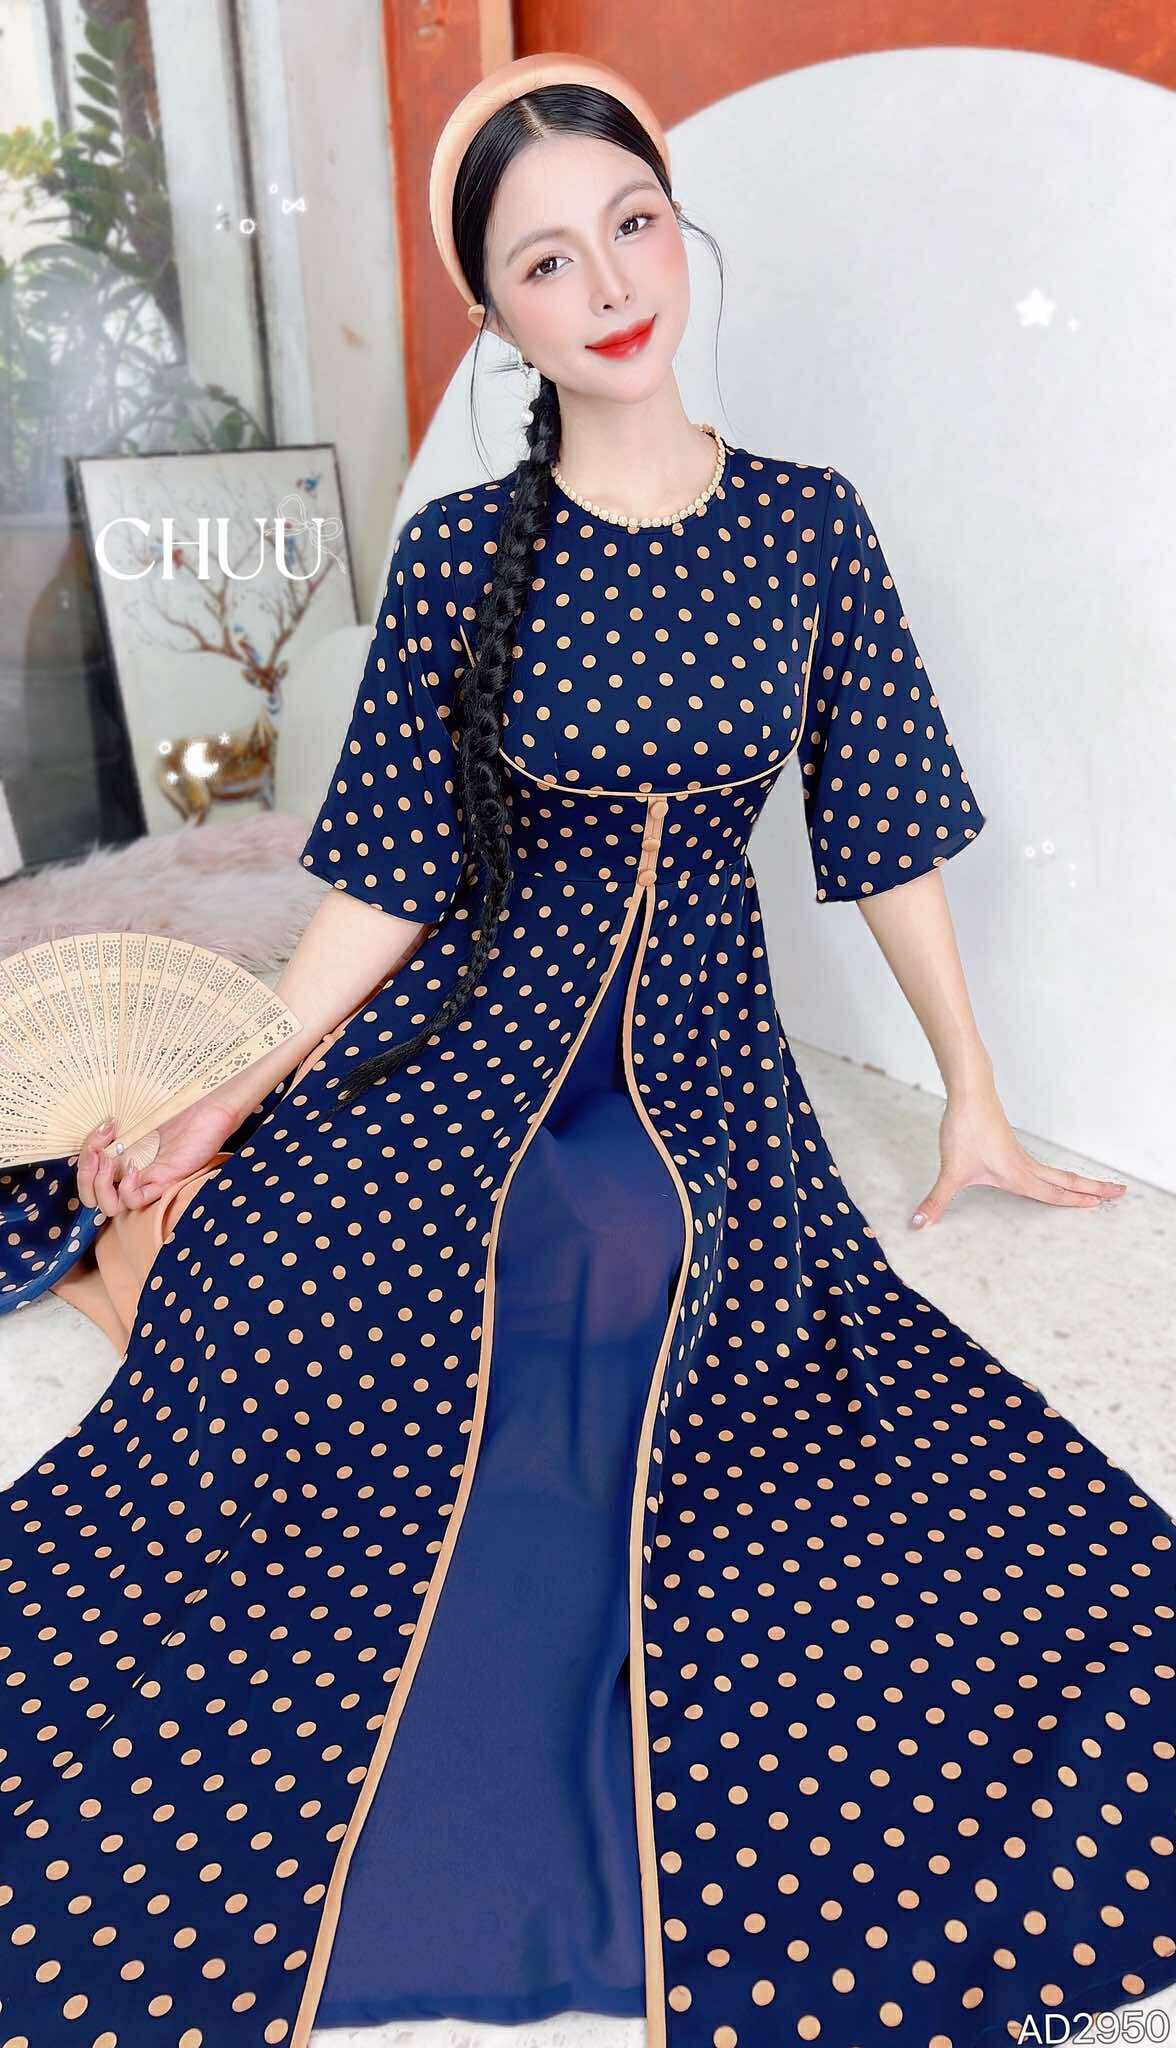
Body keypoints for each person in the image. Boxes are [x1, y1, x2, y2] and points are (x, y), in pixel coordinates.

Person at [0, 48, 1172, 2048]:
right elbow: (382, 883)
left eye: (632, 224)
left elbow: (885, 828)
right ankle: (168, 1271)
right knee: (296, 1271)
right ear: (499, 313)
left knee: (638, 1280)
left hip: (698, 1074)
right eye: (548, 261)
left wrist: (970, 1095)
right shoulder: (467, 550)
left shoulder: (807, 528)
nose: (611, 281)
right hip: (472, 1041)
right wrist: (221, 1093)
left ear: (675, 229)